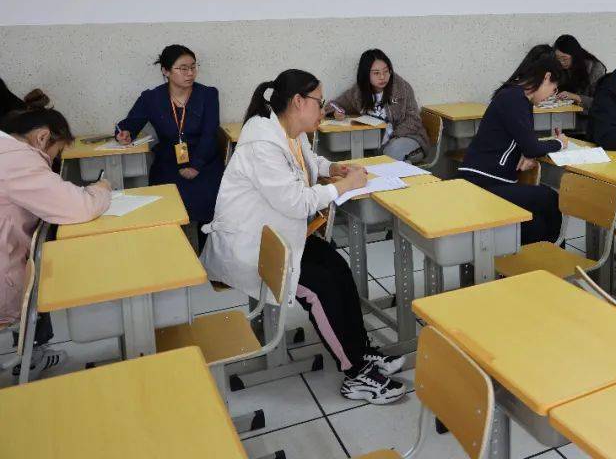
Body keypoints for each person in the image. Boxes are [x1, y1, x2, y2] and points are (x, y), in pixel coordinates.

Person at [200, 70, 406, 404]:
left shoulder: (289, 131)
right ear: (298, 102)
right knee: (320, 288)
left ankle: (362, 351)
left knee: (337, 268)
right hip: (252, 248)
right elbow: (296, 202)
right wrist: (344, 186)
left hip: (278, 236)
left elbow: (309, 162)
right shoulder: (263, 145)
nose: (323, 108)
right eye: (318, 101)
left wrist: (332, 170)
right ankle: (355, 375)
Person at [0, 108, 111, 378]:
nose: (52, 161)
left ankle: (34, 355)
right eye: (56, 152)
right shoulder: (17, 161)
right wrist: (102, 188)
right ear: (42, 138)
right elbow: (79, 207)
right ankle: (32, 360)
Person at [115, 45, 224, 249]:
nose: (190, 73)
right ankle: (173, 253)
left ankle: (203, 255)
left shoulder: (208, 95)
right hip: (169, 162)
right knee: (167, 204)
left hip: (204, 160)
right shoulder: (152, 98)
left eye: (193, 67)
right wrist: (124, 133)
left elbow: (210, 134)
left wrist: (196, 165)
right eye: (183, 68)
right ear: (166, 71)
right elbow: (131, 123)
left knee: (205, 198)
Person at [459, 56, 569, 244]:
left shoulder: (516, 97)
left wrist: (525, 152)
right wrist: (559, 143)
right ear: (546, 77)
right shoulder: (514, 99)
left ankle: (531, 262)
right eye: (554, 88)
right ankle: (553, 255)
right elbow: (532, 146)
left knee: (536, 224)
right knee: (550, 198)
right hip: (481, 183)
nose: (552, 94)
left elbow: (523, 140)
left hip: (491, 179)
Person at [329, 49, 431, 162]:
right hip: (377, 144)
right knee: (359, 159)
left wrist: (392, 136)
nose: (382, 77)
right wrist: (336, 112)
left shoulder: (402, 88)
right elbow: (334, 105)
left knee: (392, 153)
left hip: (408, 138)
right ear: (366, 74)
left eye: (386, 71)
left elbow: (413, 120)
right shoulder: (358, 93)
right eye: (376, 73)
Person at [552, 34, 607, 110]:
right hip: (565, 113)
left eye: (564, 59)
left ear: (574, 56)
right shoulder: (558, 68)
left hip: (587, 117)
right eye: (558, 58)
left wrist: (576, 97)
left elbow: (601, 103)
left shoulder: (594, 68)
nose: (561, 62)